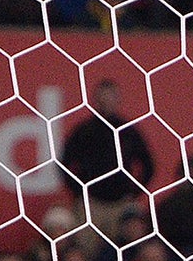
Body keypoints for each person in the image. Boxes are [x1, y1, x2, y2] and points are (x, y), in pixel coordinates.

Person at [59, 79, 156, 226]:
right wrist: (80, 194)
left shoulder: (129, 131)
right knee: (86, 247)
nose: (106, 102)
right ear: (95, 100)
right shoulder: (83, 131)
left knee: (123, 246)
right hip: (91, 205)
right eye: (103, 97)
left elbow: (148, 164)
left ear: (118, 100)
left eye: (110, 97)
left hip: (121, 205)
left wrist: (134, 193)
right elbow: (64, 163)